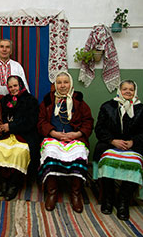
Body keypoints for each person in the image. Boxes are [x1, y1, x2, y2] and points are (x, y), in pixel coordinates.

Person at [37, 71, 93, 213]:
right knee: (50, 152)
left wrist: (77, 134)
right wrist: (53, 133)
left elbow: (88, 121)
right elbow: (41, 121)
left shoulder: (79, 100)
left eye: (66, 82)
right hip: (54, 137)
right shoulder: (48, 100)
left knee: (80, 152)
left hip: (74, 137)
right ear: (55, 85)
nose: (63, 85)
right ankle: (52, 192)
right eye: (59, 82)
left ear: (70, 84)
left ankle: (75, 193)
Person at [94, 80, 143, 221]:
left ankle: (123, 201)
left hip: (133, 145)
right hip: (110, 144)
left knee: (135, 163)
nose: (128, 92)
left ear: (135, 92)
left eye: (131, 89)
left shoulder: (142, 109)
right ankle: (108, 198)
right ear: (119, 90)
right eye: (125, 89)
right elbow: (99, 129)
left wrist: (132, 142)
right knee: (106, 160)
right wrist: (112, 140)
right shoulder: (108, 107)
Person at [0, 75, 39, 201]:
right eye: (10, 87)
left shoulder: (30, 100)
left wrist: (11, 126)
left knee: (18, 151)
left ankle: (13, 183)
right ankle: (4, 182)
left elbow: (30, 122)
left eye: (15, 86)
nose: (13, 89)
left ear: (21, 85)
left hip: (25, 134)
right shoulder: (5, 100)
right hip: (6, 134)